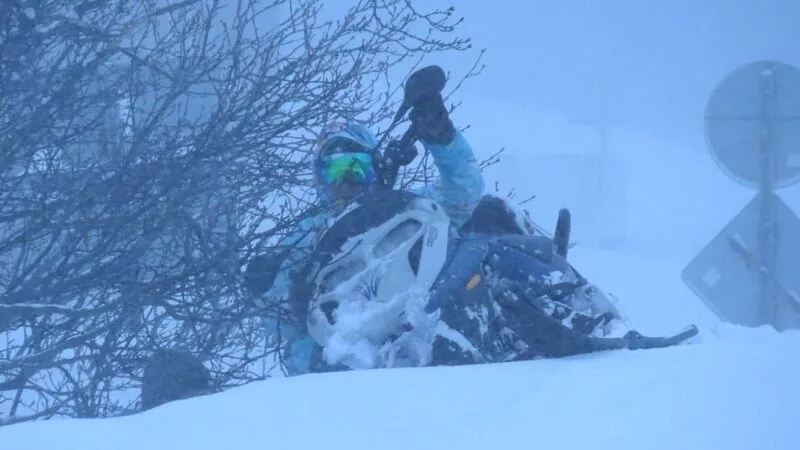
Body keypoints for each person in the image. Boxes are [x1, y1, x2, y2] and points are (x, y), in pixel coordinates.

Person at [244, 77, 486, 376]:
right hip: (356, 371)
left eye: (356, 167)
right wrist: (264, 290)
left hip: (434, 329)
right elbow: (285, 324)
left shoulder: (410, 210)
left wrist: (442, 137)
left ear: (375, 168)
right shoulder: (309, 237)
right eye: (334, 170)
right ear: (320, 178)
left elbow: (462, 194)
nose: (346, 181)